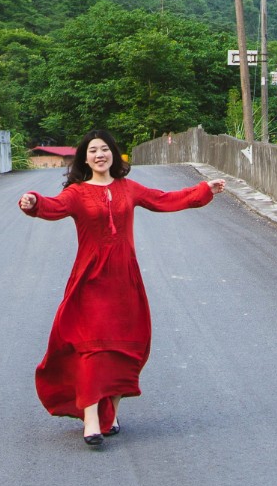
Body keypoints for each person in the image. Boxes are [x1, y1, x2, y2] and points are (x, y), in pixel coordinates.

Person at [18, 128, 224, 448]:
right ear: (85, 159)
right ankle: (90, 420)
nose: (100, 155)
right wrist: (32, 202)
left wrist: (203, 190)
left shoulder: (129, 188)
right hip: (90, 280)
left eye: (104, 149)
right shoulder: (76, 193)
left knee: (124, 347)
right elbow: (52, 206)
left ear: (114, 154)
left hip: (124, 281)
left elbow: (165, 200)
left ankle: (110, 415)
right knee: (92, 347)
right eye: (92, 151)